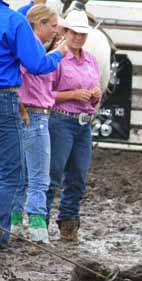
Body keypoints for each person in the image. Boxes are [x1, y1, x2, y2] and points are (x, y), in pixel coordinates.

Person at [0, 0, 66, 248]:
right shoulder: (13, 20)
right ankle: (2, 233)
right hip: (5, 97)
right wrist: (60, 52)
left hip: (16, 102)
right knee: (11, 173)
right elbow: (37, 65)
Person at [46, 10, 100, 242]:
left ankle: (69, 222)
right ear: (66, 32)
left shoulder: (91, 60)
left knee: (77, 176)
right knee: (54, 173)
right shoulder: (56, 58)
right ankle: (42, 221)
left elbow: (94, 96)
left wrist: (95, 97)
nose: (78, 38)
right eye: (75, 33)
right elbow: (45, 94)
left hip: (83, 123)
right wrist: (73, 94)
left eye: (82, 34)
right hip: (61, 120)